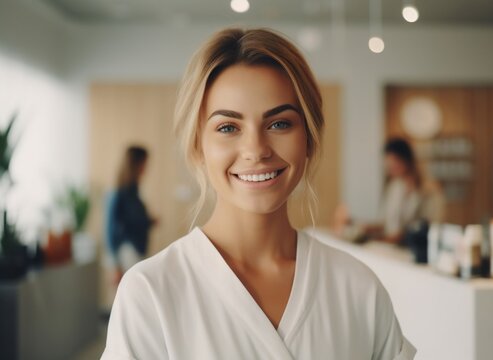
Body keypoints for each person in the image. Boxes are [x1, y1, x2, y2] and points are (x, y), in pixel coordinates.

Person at [101, 28, 416, 360]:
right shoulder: (150, 293)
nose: (256, 150)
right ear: (198, 145)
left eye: (279, 123)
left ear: (309, 138)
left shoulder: (358, 288)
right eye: (228, 127)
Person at [337, 138, 445, 244]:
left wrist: (393, 238)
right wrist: (360, 226)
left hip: (416, 250)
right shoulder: (395, 187)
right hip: (392, 249)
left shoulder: (429, 190)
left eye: (393, 163)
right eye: (388, 163)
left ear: (406, 160)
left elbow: (431, 227)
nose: (389, 168)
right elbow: (386, 223)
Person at [104, 145, 156, 285]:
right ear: (136, 164)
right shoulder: (119, 193)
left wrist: (148, 221)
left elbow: (133, 221)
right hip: (127, 251)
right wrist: (115, 265)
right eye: (145, 163)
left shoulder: (134, 193)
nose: (146, 168)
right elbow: (110, 229)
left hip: (138, 249)